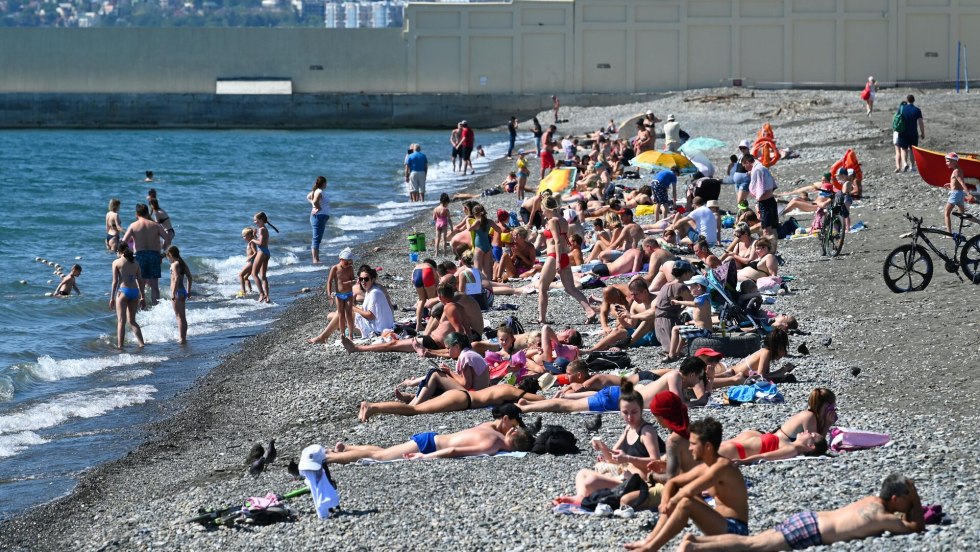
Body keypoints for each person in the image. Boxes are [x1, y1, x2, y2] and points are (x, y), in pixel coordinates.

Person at [679, 473, 924, 551]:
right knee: (752, 546)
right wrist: (916, 501)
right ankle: (695, 547)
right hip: (812, 530)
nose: (908, 504)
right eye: (906, 499)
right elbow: (914, 528)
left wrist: (909, 501)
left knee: (752, 541)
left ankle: (698, 542)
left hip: (810, 519)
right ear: (895, 498)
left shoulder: (871, 501)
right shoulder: (881, 517)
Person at [624, 418, 749, 551]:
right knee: (678, 493)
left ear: (707, 447)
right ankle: (650, 540)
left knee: (685, 502)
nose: (690, 448)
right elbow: (673, 481)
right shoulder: (706, 466)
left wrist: (670, 503)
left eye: (693, 444)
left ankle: (650, 548)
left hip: (736, 530)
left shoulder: (722, 466)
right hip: (720, 524)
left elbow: (689, 491)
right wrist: (665, 499)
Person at [551, 381, 662, 506]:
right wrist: (602, 447)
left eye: (634, 412)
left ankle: (580, 500)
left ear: (641, 409)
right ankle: (580, 498)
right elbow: (611, 458)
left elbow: (656, 461)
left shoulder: (646, 431)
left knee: (591, 481)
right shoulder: (629, 428)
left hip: (639, 483)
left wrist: (628, 458)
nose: (630, 417)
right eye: (625, 413)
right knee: (581, 474)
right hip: (624, 476)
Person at [327, 409, 534, 464]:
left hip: (431, 438)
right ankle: (328, 458)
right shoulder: (493, 444)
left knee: (384, 453)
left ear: (513, 433)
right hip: (429, 446)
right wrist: (424, 457)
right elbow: (454, 451)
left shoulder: (493, 430)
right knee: (380, 458)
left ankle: (347, 449)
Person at [359, 377, 544, 422]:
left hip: (462, 396)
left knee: (417, 408)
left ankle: (374, 407)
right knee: (414, 411)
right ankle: (374, 407)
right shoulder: (511, 390)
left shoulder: (504, 386)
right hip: (464, 401)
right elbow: (537, 398)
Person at [538, 197, 597, 324]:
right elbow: (563, 238)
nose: (542, 212)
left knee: (542, 287)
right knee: (571, 288)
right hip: (564, 255)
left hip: (555, 256)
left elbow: (558, 241)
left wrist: (558, 261)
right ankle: (590, 311)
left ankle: (541, 319)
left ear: (547, 209)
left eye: (542, 209)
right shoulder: (563, 220)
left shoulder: (553, 221)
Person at [399, 332, 490, 406]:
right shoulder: (469, 353)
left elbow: (466, 384)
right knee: (437, 375)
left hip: (474, 395)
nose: (447, 351)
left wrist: (449, 371)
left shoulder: (465, 357)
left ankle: (413, 405)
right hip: (479, 393)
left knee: (436, 374)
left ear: (457, 346)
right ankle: (413, 399)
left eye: (448, 348)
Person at [121, 203, 171, 307]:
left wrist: (126, 256)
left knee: (140, 285)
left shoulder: (133, 226)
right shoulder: (156, 225)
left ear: (136, 214)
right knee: (154, 286)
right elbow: (167, 238)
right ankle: (156, 308)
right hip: (154, 256)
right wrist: (163, 251)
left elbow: (123, 242)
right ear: (147, 213)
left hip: (140, 256)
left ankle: (141, 308)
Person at [109, 244, 145, 350]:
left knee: (121, 321)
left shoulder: (116, 262)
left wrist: (112, 298)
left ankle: (120, 346)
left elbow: (115, 281)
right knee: (132, 321)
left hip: (123, 292)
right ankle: (141, 343)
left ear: (120, 251)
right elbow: (140, 281)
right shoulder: (136, 262)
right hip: (135, 292)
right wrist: (142, 296)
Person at [744, 153, 779, 246]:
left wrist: (757, 197)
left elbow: (760, 188)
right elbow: (772, 184)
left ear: (747, 162)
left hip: (765, 202)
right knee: (773, 228)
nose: (744, 168)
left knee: (766, 230)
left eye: (744, 165)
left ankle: (768, 252)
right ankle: (773, 252)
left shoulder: (757, 170)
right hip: (771, 200)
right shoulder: (763, 167)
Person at [327, 246, 357, 338]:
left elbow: (353, 280)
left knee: (348, 314)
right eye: (346, 262)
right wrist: (329, 294)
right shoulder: (335, 268)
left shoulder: (350, 268)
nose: (348, 264)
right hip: (339, 295)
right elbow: (329, 281)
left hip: (348, 294)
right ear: (340, 259)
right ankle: (342, 333)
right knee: (341, 315)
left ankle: (351, 335)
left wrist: (351, 282)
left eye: (350, 262)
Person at [166, 245, 192, 345]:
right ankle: (183, 337)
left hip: (176, 292)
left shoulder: (174, 265)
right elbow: (189, 277)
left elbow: (176, 278)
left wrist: (173, 292)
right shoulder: (182, 263)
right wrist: (188, 291)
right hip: (183, 291)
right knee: (183, 317)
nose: (168, 258)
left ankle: (182, 338)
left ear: (171, 255)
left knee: (179, 317)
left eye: (168, 256)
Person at [251, 212, 278, 303]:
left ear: (261, 220)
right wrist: (255, 235)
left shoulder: (261, 229)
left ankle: (261, 294)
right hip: (266, 252)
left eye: (255, 220)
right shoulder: (264, 229)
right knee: (263, 276)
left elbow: (261, 243)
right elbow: (261, 241)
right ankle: (267, 297)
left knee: (254, 274)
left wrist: (252, 239)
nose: (254, 222)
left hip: (262, 252)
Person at [897, 94, 925, 173]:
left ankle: (905, 163)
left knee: (903, 149)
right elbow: (920, 123)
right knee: (912, 150)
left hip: (903, 132)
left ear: (907, 100)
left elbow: (897, 119)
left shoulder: (901, 108)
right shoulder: (917, 110)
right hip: (913, 133)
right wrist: (922, 133)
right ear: (914, 100)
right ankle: (912, 166)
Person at [308, 176, 330, 264]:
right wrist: (317, 208)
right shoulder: (319, 191)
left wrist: (314, 206)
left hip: (320, 217)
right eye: (326, 183)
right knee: (316, 239)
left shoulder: (317, 191)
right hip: (318, 217)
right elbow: (315, 201)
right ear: (324, 183)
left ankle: (317, 258)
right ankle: (315, 260)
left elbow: (309, 197)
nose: (326, 184)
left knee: (318, 239)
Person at [944, 153, 967, 235]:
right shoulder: (959, 169)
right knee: (962, 214)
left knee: (946, 213)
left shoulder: (955, 171)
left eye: (948, 161)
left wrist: (969, 194)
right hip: (960, 193)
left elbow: (962, 183)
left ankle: (949, 234)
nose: (946, 163)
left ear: (954, 161)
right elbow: (958, 183)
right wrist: (950, 185)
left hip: (955, 194)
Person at [728, 140, 753, 205]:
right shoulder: (740, 157)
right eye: (740, 148)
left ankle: (746, 214)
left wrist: (751, 171)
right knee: (740, 202)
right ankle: (743, 214)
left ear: (748, 148)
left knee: (740, 202)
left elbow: (755, 166)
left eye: (744, 148)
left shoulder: (750, 157)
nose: (742, 149)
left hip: (745, 182)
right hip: (737, 183)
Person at [238, 228, 256, 298]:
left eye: (244, 236)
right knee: (245, 277)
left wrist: (250, 257)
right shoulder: (251, 242)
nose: (243, 238)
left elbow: (255, 252)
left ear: (249, 235)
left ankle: (243, 291)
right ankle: (250, 291)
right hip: (251, 262)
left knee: (241, 275)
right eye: (243, 236)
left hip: (252, 262)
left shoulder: (252, 243)